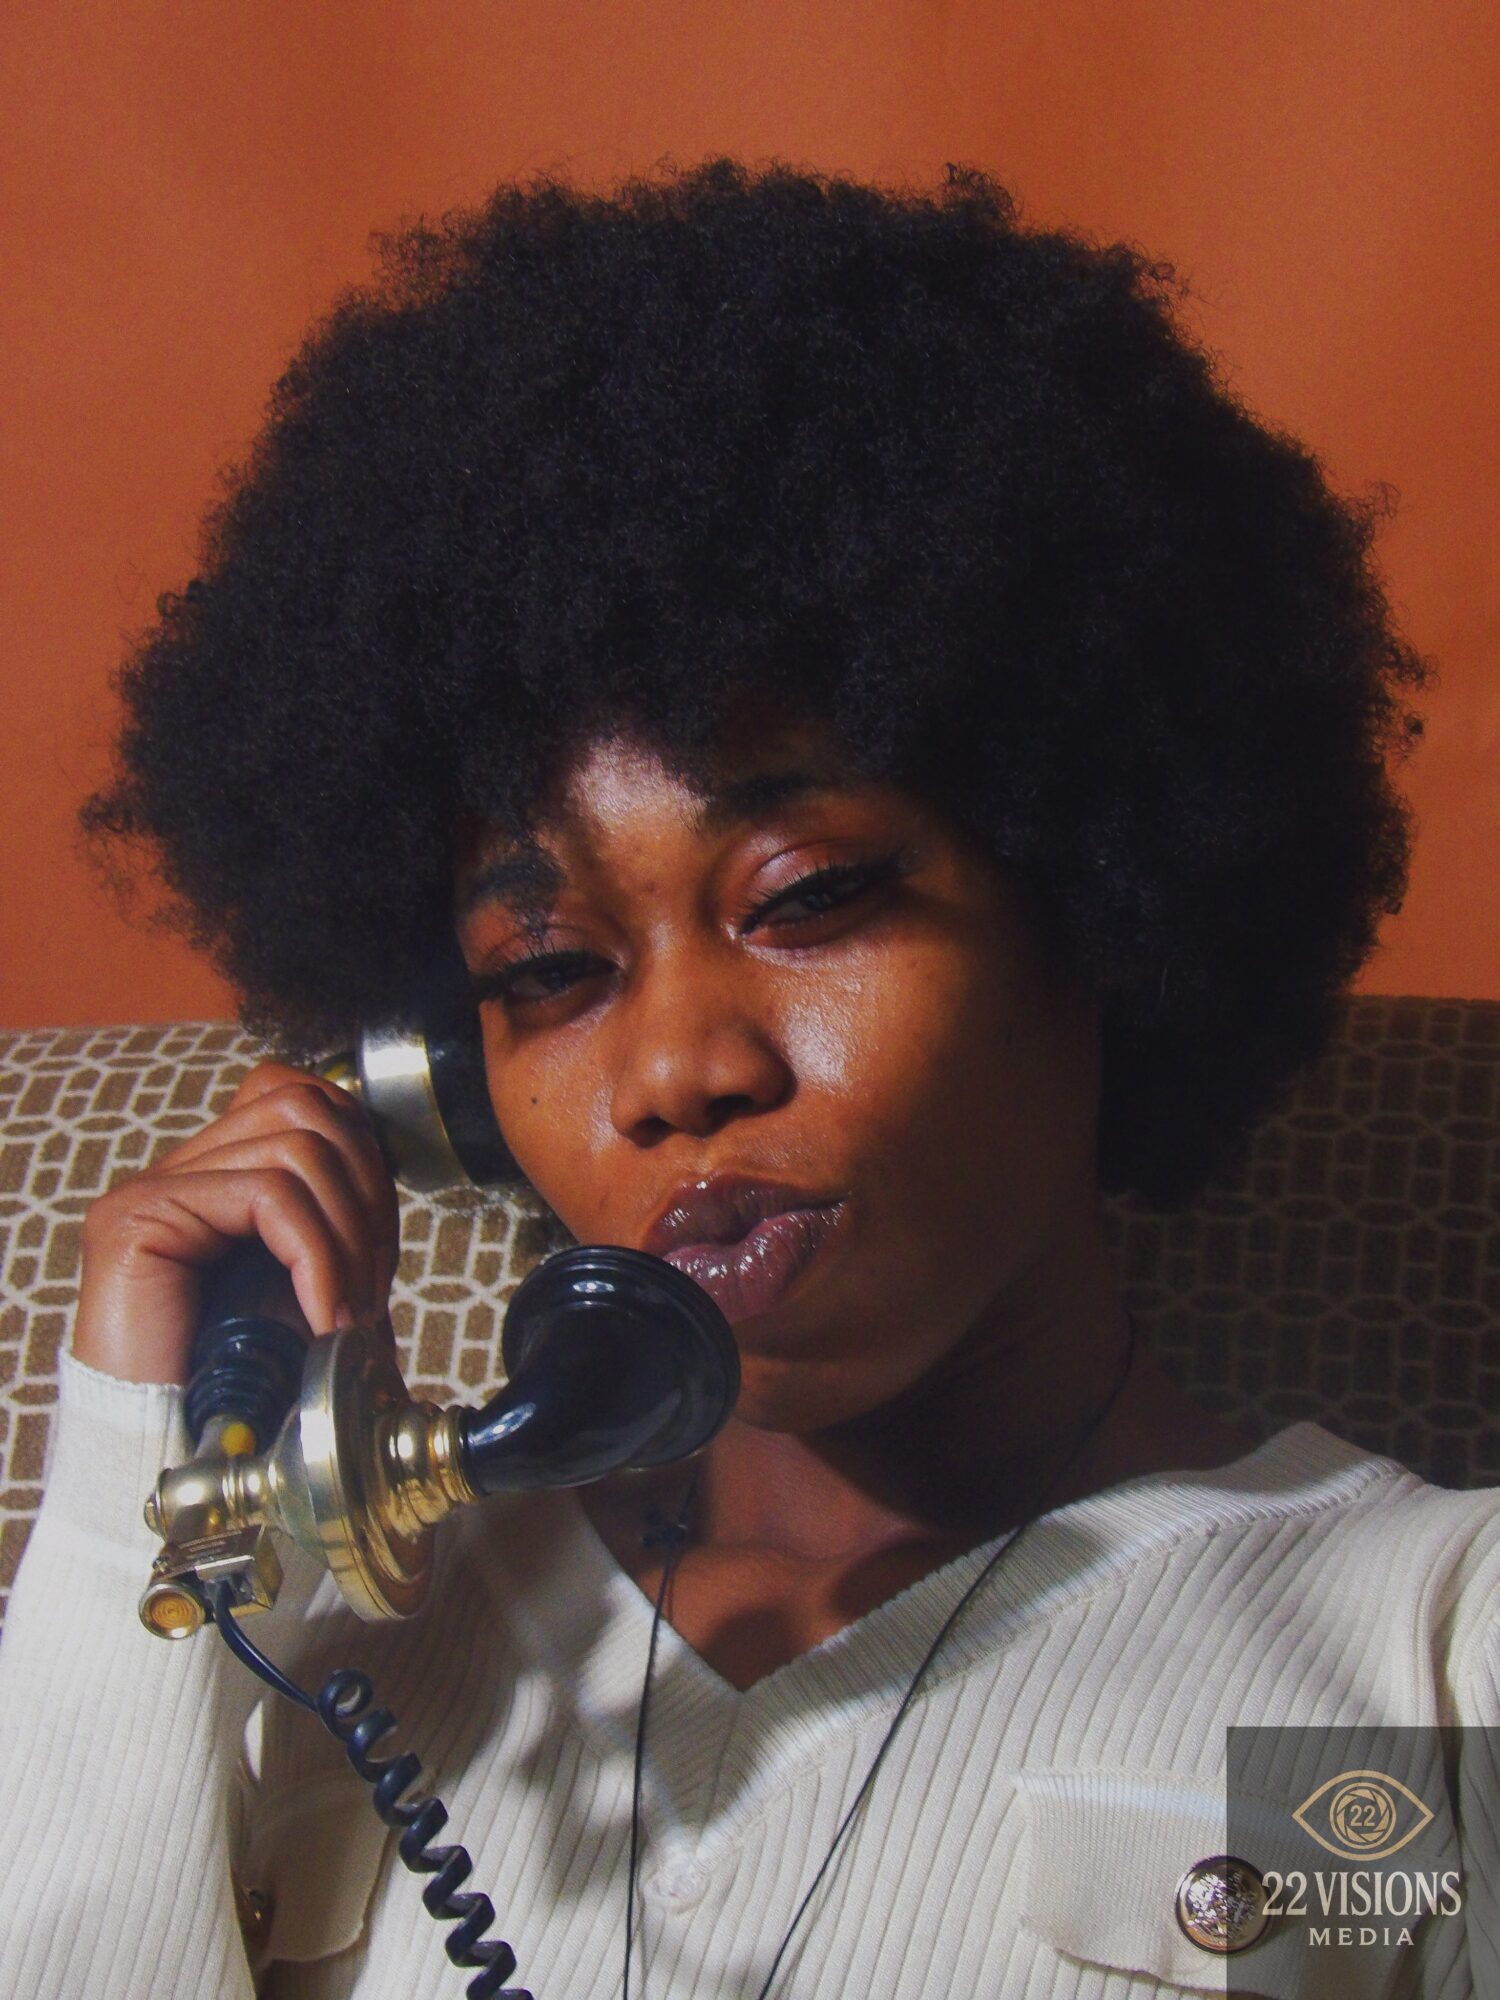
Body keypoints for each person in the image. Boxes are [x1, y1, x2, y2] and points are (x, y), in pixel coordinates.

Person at [0, 159, 1494, 1999]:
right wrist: (143, 1485)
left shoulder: (1426, 1657)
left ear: (1102, 896)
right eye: (549, 973)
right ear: (445, 1083)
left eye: (808, 898)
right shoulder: (317, 1650)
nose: (675, 1071)